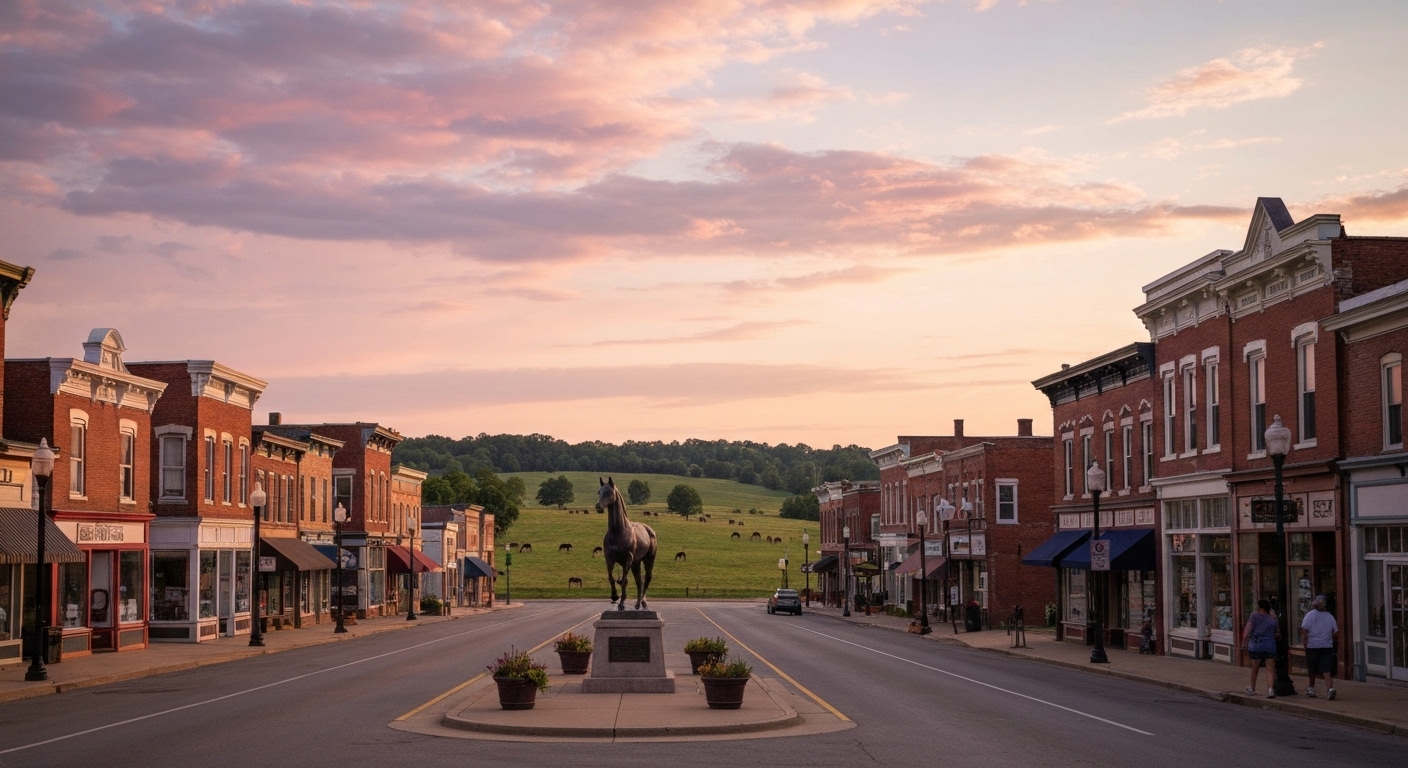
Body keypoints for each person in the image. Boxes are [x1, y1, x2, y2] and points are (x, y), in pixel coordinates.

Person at [1299, 594, 1339, 700]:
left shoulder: (1310, 615)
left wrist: (1305, 643)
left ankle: (1311, 688)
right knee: (1326, 669)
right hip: (1326, 646)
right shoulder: (1330, 616)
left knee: (1312, 668)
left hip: (1313, 646)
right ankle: (1329, 688)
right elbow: (1336, 633)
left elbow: (1304, 630)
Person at [1243, 599, 1279, 697]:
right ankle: (1270, 689)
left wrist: (1244, 643)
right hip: (1269, 645)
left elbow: (1247, 631)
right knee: (1270, 669)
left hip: (1256, 645)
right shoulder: (1272, 619)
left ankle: (1252, 687)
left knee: (1255, 667)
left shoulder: (1254, 616)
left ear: (1259, 607)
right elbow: (1277, 633)